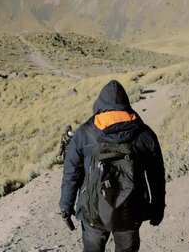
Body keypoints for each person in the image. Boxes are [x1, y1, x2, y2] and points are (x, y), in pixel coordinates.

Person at [59, 80, 166, 252]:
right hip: (130, 211)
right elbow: (156, 175)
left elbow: (71, 173)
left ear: (99, 104)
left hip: (93, 213)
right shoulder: (144, 134)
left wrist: (66, 206)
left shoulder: (84, 134)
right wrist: (158, 206)